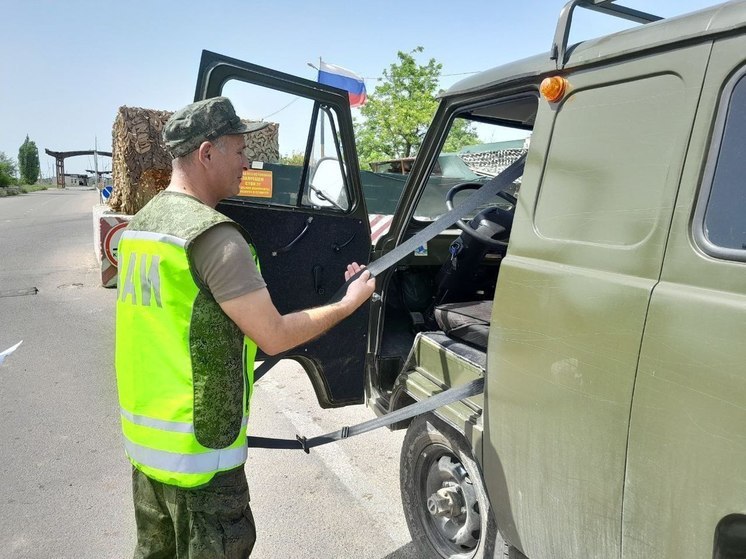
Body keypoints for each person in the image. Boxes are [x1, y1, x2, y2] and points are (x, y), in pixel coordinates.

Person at [114, 96, 375, 559]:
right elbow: (272, 335)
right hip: (200, 455)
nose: (247, 162)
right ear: (206, 153)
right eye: (238, 150)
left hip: (148, 447)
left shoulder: (142, 227)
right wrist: (347, 303)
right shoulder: (214, 237)